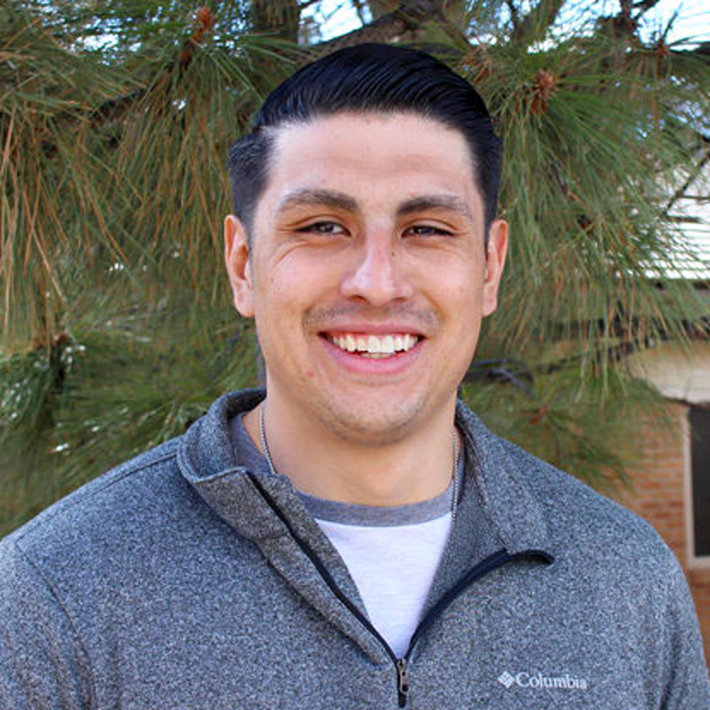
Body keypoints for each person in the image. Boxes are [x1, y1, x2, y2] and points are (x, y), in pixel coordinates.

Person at [0, 43, 708, 710]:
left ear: (490, 268)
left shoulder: (626, 578)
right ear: (243, 265)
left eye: (426, 229)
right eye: (321, 226)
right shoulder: (52, 596)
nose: (376, 282)